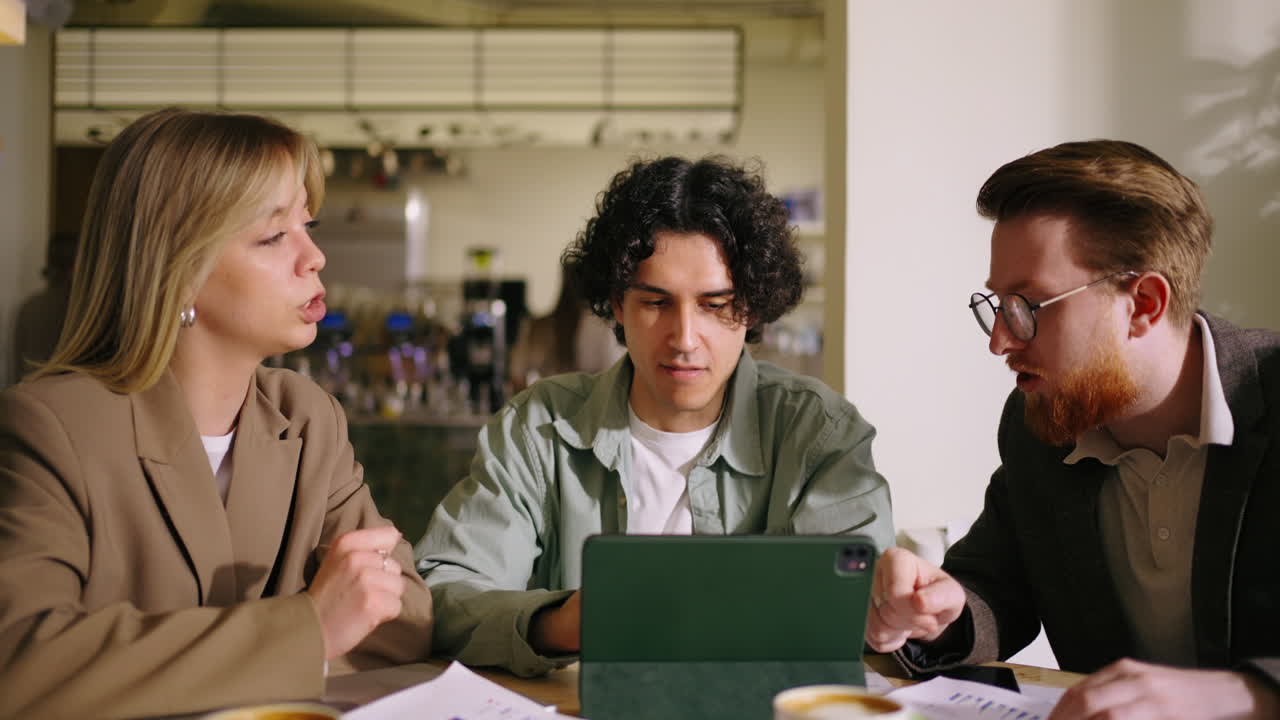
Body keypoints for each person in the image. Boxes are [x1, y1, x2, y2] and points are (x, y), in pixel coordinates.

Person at [0, 108, 433, 719]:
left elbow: (406, 615)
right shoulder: (52, 427)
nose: (315, 258)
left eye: (308, 226)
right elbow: (23, 663)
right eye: (274, 235)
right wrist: (308, 626)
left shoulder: (308, 418)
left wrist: (146, 666)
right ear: (178, 271)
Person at [416, 155, 894, 677]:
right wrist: (562, 623)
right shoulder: (540, 429)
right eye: (655, 303)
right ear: (617, 305)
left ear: (752, 307)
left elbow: (859, 613)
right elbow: (443, 595)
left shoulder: (817, 434)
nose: (685, 339)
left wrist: (899, 606)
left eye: (715, 305)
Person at [865, 140, 1280, 719]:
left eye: (1029, 306)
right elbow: (995, 585)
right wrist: (942, 609)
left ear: (1144, 303)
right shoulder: (1041, 421)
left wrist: (1251, 695)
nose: (1000, 340)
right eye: (999, 304)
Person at [507, 264, 625, 393]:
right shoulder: (603, 327)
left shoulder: (537, 327)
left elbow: (517, 376)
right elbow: (613, 380)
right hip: (591, 408)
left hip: (550, 407)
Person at [11, 230, 77, 383]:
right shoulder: (78, 309)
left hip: (27, 391)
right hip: (61, 394)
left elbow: (17, 368)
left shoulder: (28, 307)